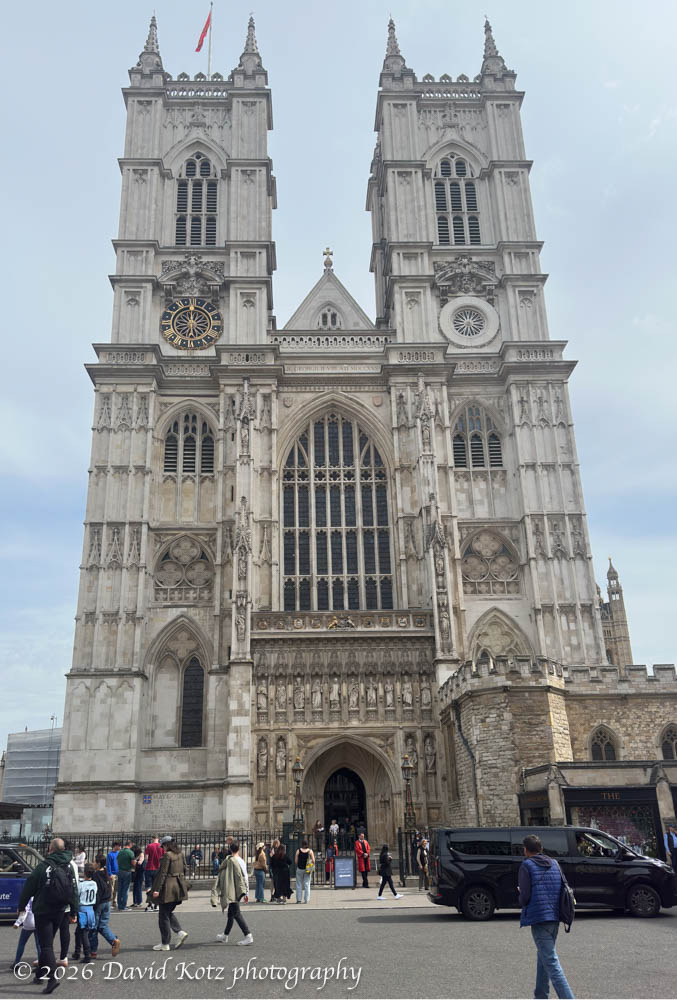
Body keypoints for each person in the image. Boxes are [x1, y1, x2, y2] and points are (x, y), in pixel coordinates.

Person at [18, 836, 79, 995]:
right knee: (48, 942)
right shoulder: (68, 865)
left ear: (50, 849)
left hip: (43, 910)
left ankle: (52, 979)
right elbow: (73, 890)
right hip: (60, 909)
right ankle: (40, 975)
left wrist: (21, 906)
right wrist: (73, 911)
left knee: (46, 946)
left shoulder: (43, 866)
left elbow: (29, 887)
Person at [518, 834, 575, 1000]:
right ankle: (541, 995)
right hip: (555, 916)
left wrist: (520, 895)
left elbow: (526, 897)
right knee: (544, 957)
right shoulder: (555, 863)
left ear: (525, 850)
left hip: (539, 917)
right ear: (541, 848)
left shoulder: (526, 866)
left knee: (551, 963)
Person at [211, 840, 253, 945]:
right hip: (238, 890)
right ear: (239, 849)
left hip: (231, 890)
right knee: (231, 913)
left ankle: (248, 935)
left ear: (230, 849)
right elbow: (245, 878)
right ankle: (225, 935)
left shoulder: (228, 860)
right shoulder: (240, 861)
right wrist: (246, 893)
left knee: (236, 914)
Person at [151, 837, 189, 951]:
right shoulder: (181, 854)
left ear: (166, 845)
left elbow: (163, 873)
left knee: (163, 916)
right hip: (178, 887)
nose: (162, 849)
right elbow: (185, 869)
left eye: (162, 846)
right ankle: (179, 932)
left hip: (168, 888)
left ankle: (165, 943)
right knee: (167, 912)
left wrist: (157, 889)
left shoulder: (167, 856)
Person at [89, 854, 120, 959]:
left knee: (93, 927)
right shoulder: (106, 872)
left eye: (94, 862)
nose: (93, 864)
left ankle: (93, 951)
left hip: (100, 902)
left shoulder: (96, 875)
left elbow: (97, 891)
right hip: (107, 901)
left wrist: (94, 905)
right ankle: (113, 940)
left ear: (98, 864)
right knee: (103, 925)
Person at [57, 842, 80, 971]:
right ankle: (63, 956)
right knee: (64, 930)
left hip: (54, 903)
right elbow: (75, 886)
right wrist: (74, 909)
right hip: (67, 902)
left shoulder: (56, 863)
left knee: (50, 931)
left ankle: (44, 956)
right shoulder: (73, 865)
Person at [72, 863, 97, 963]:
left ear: (85, 873)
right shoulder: (94, 884)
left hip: (82, 909)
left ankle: (87, 954)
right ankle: (77, 952)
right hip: (90, 908)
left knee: (83, 933)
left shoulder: (81, 884)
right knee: (79, 932)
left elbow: (76, 896)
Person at [13, 896, 41, 973]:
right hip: (39, 922)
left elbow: (24, 912)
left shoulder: (28, 897)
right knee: (39, 945)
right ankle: (40, 965)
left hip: (29, 923)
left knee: (21, 943)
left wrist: (17, 923)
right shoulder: (40, 895)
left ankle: (16, 963)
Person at [115, 839, 135, 912]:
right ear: (130, 845)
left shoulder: (120, 852)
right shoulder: (130, 852)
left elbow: (117, 861)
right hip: (127, 871)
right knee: (125, 889)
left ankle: (119, 904)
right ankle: (123, 905)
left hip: (120, 871)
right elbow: (133, 863)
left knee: (120, 888)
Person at [144, 836, 164, 909]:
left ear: (152, 839)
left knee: (148, 887)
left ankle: (150, 903)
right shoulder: (161, 847)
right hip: (158, 868)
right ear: (158, 839)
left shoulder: (149, 846)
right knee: (156, 886)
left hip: (149, 868)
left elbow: (146, 857)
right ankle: (157, 904)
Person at [106, 842, 120, 908]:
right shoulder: (110, 854)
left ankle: (114, 901)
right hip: (113, 873)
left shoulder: (119, 853)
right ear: (115, 846)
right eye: (118, 846)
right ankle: (110, 902)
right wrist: (110, 873)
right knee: (112, 889)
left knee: (115, 889)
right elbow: (108, 865)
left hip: (118, 873)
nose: (120, 847)